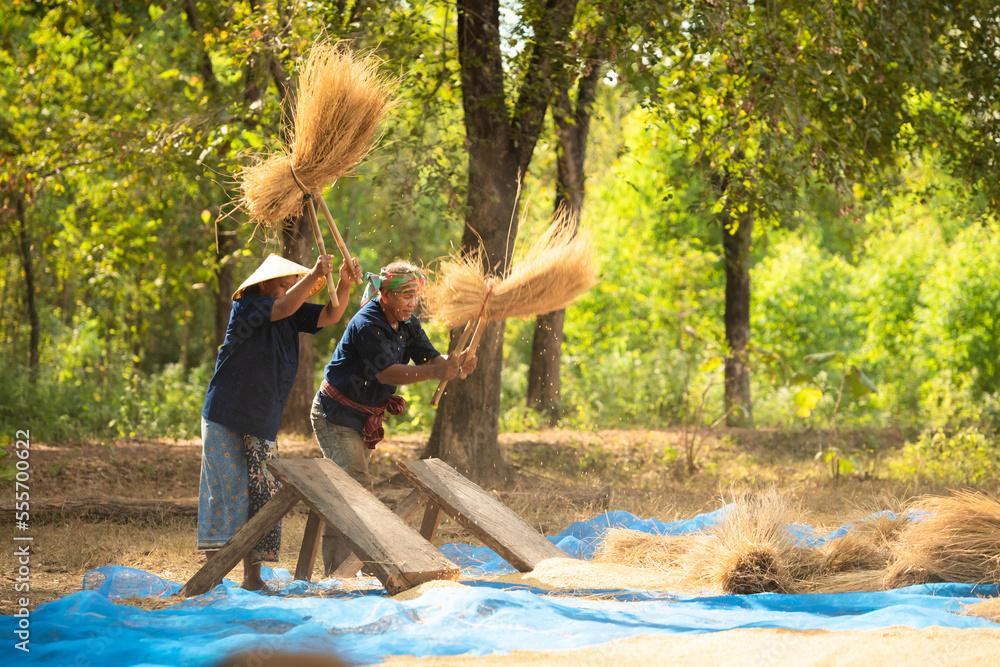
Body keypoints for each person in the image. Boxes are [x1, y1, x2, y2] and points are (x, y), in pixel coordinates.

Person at [198, 252, 357, 591]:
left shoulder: (291, 313)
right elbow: (282, 307)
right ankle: (212, 579)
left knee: (264, 496)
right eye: (284, 285)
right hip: (226, 413)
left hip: (262, 418)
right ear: (264, 286)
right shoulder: (249, 307)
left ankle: (253, 579)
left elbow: (332, 313)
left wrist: (343, 283)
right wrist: (314, 271)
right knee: (225, 493)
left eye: (292, 285)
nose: (289, 290)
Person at [310, 259, 477, 575]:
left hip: (364, 417)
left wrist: (453, 364)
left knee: (349, 489)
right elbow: (387, 375)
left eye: (415, 296)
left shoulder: (409, 322)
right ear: (384, 295)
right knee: (352, 488)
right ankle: (341, 574)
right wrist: (434, 371)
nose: (412, 303)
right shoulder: (367, 324)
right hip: (336, 413)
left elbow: (429, 356)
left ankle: (355, 567)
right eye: (405, 297)